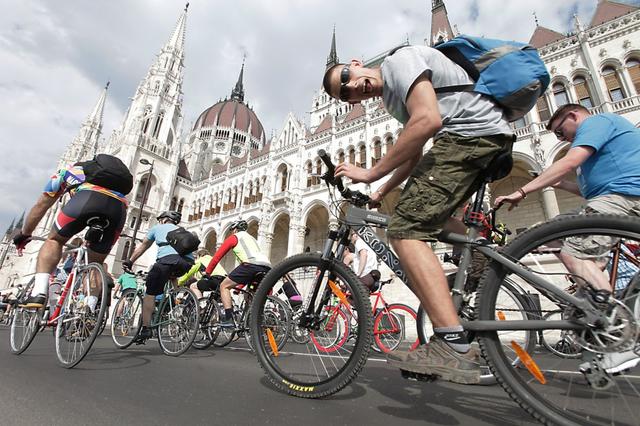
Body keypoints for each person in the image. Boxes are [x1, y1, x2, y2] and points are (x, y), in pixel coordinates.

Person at [324, 44, 514, 383]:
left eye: (348, 77)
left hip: (470, 137)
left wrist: (368, 174)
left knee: (404, 228)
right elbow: (412, 155)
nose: (352, 86)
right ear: (351, 102)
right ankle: (483, 255)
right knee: (423, 214)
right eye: (345, 92)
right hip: (481, 136)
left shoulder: (399, 62)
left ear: (356, 63)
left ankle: (452, 344)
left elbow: (428, 120)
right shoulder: (394, 99)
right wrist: (380, 191)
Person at [495, 103, 640, 374]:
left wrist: (522, 191)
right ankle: (596, 320)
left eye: (562, 133)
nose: (564, 139)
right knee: (554, 235)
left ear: (574, 116)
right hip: (613, 199)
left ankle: (618, 337)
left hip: (625, 197)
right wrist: (556, 183)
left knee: (574, 253)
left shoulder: (596, 123)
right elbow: (589, 193)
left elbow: (570, 161)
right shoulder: (601, 155)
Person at [12, 155, 130, 311]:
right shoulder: (117, 183)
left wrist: (25, 233)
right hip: (118, 209)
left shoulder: (69, 171)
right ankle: (89, 308)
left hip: (87, 200)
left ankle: (39, 292)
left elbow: (41, 205)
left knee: (54, 240)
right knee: (95, 264)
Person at [124, 210, 195, 343]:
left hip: (167, 261)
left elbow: (142, 247)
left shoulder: (157, 228)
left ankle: (146, 329)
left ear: (163, 219)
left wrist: (130, 261)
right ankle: (175, 301)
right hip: (187, 263)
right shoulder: (183, 230)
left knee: (149, 294)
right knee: (172, 275)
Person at [204, 220, 271, 328]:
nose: (231, 233)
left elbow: (217, 256)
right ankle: (254, 322)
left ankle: (229, 318)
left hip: (250, 265)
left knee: (224, 286)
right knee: (250, 295)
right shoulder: (252, 239)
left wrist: (208, 272)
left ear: (235, 229)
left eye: (232, 231)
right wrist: (239, 286)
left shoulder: (235, 237)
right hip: (266, 267)